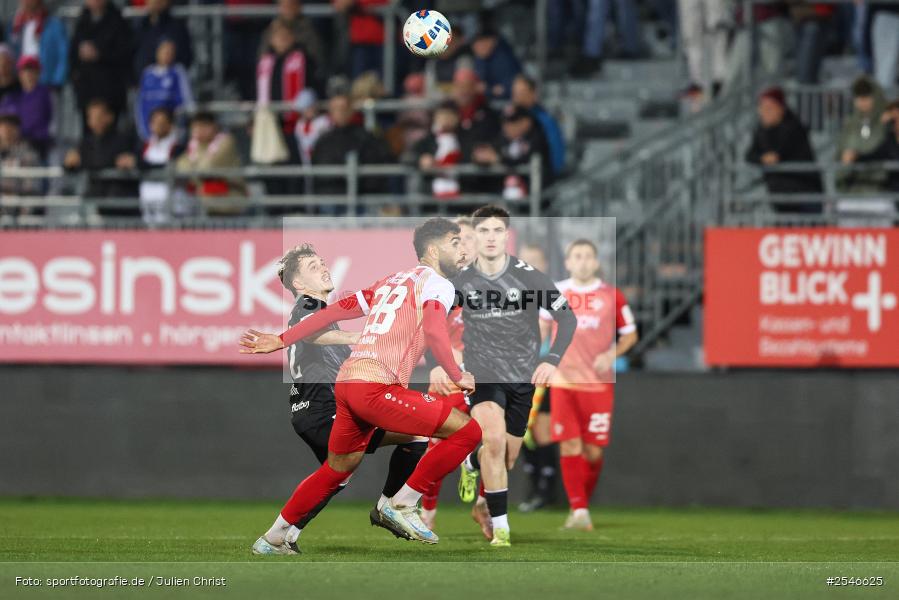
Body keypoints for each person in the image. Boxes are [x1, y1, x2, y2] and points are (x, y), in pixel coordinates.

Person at [239, 218, 480, 552]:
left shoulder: (390, 281)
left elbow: (332, 311)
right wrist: (456, 373)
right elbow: (437, 332)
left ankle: (274, 538)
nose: (464, 250)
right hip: (375, 387)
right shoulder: (437, 283)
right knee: (468, 433)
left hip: (347, 387)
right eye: (456, 242)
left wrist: (281, 339)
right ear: (435, 249)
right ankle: (398, 505)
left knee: (339, 469)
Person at [432, 205, 577, 547]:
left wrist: (552, 359)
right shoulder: (460, 280)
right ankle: (502, 529)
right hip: (482, 374)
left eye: (498, 231)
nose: (491, 237)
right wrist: (437, 361)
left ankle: (479, 487)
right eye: (484, 231)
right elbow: (432, 322)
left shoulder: (530, 277)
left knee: (506, 454)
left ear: (507, 235)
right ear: (475, 237)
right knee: (493, 440)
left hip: (521, 379)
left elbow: (567, 319)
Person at [271, 243, 430, 549]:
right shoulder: (309, 307)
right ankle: (390, 507)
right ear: (299, 284)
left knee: (336, 476)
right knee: (416, 434)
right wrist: (360, 336)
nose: (323, 268)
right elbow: (310, 333)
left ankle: (280, 536)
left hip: (311, 411)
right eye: (313, 267)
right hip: (323, 409)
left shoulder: (323, 314)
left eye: (322, 262)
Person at [542, 239, 637, 531]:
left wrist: (612, 353)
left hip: (598, 385)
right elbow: (540, 330)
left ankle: (581, 500)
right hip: (564, 381)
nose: (582, 261)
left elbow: (630, 334)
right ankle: (579, 510)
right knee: (569, 443)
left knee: (593, 452)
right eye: (577, 256)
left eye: (587, 257)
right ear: (568, 262)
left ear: (596, 263)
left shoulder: (612, 295)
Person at [744, 86, 823, 214]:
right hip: (781, 197)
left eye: (769, 108)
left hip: (804, 195)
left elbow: (777, 154)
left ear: (781, 109)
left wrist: (769, 157)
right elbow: (750, 155)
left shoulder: (793, 127)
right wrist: (762, 158)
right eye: (762, 108)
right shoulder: (761, 130)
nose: (764, 112)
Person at [310, 94, 392, 200]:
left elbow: (377, 168)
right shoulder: (323, 141)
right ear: (330, 112)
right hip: (331, 198)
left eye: (343, 108)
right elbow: (319, 171)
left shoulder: (365, 137)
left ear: (351, 110)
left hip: (362, 198)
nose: (340, 113)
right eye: (336, 109)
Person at [63, 98, 138, 208]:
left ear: (110, 117)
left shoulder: (122, 139)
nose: (93, 121)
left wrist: (83, 160)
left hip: (118, 203)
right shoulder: (86, 142)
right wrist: (68, 163)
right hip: (95, 199)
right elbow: (73, 165)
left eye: (98, 117)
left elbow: (106, 160)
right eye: (90, 117)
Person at [69, 0, 132, 122]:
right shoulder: (82, 22)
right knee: (88, 133)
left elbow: (124, 53)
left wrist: (99, 54)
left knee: (111, 132)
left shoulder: (118, 21)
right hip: (86, 91)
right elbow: (72, 54)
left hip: (110, 91)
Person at [472, 107, 553, 202]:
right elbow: (489, 151)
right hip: (506, 195)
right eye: (505, 122)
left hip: (535, 198)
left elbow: (524, 161)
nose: (507, 127)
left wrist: (499, 159)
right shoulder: (503, 139)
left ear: (526, 122)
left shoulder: (536, 138)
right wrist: (481, 155)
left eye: (512, 122)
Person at [175, 111, 247, 216]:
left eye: (204, 126)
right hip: (203, 202)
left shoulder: (226, 141)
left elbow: (207, 168)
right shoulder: (194, 144)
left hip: (228, 198)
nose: (199, 130)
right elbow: (181, 166)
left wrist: (193, 169)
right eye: (196, 126)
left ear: (215, 127)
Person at [836, 76, 888, 194]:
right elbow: (839, 159)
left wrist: (858, 157)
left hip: (882, 191)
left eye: (866, 96)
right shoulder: (849, 124)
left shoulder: (886, 124)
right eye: (859, 96)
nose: (862, 101)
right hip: (851, 191)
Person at [411, 101, 472, 199]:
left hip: (462, 196)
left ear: (457, 117)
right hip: (431, 196)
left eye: (450, 115)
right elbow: (408, 157)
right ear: (435, 118)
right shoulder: (427, 141)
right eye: (442, 114)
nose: (446, 118)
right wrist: (420, 160)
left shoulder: (467, 140)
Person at [136, 38, 193, 141]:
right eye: (165, 51)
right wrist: (143, 129)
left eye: (171, 52)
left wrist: (179, 127)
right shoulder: (148, 73)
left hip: (172, 131)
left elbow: (187, 101)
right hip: (150, 132)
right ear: (157, 52)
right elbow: (141, 103)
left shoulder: (178, 72)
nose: (167, 54)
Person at [137, 107, 186, 225]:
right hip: (147, 196)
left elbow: (172, 167)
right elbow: (138, 164)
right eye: (155, 123)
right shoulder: (145, 146)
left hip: (169, 198)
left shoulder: (177, 147)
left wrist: (148, 167)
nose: (158, 126)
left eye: (162, 123)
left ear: (170, 125)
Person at [511, 75, 566, 177]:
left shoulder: (545, 121)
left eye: (521, 92)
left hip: (538, 178)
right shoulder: (507, 118)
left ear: (533, 93)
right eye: (515, 92)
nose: (516, 96)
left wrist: (552, 176)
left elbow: (556, 152)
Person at [6, 0, 68, 88]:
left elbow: (63, 55)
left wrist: (57, 81)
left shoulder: (54, 25)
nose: (26, 2)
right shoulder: (15, 25)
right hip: (21, 82)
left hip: (46, 81)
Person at [0, 55, 52, 158]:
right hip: (15, 143)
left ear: (38, 73)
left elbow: (46, 118)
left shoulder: (44, 94)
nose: (28, 75)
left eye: (31, 70)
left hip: (37, 143)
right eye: (24, 71)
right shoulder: (14, 96)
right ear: (20, 74)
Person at [258, 0, 323, 80]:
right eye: (284, 5)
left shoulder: (309, 30)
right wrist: (275, 50)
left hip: (303, 80)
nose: (288, 9)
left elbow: (317, 60)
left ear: (299, 7)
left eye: (291, 5)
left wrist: (292, 47)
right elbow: (262, 60)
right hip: (275, 81)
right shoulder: (271, 30)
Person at [133, 0, 193, 77]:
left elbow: (186, 58)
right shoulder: (141, 27)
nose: (155, 1)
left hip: (169, 83)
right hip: (144, 83)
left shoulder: (176, 28)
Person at [470, 14, 522, 101]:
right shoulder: (480, 59)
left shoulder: (503, 59)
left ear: (492, 41)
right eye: (476, 45)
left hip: (507, 101)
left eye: (482, 43)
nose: (478, 48)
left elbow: (508, 89)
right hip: (489, 101)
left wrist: (488, 89)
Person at [333, 0, 389, 78]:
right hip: (360, 43)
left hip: (386, 42)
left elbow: (390, 4)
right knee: (358, 84)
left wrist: (357, 3)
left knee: (385, 82)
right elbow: (340, 4)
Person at [0, 112, 41, 201]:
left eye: (11, 125)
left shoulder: (27, 154)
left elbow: (29, 190)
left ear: (17, 129)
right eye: (3, 125)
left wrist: (24, 213)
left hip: (15, 209)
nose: (6, 130)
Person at [870, 3, 899, 90]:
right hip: (887, 14)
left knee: (885, 71)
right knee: (885, 71)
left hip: (887, 14)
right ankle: (883, 101)